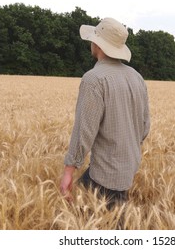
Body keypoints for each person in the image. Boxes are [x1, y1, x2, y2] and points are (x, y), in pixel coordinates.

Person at [59, 17, 150, 210]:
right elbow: (144, 127)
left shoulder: (94, 79)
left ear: (97, 45)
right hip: (128, 167)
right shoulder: (136, 77)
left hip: (106, 174)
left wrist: (69, 171)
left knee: (104, 226)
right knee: (109, 217)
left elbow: (84, 130)